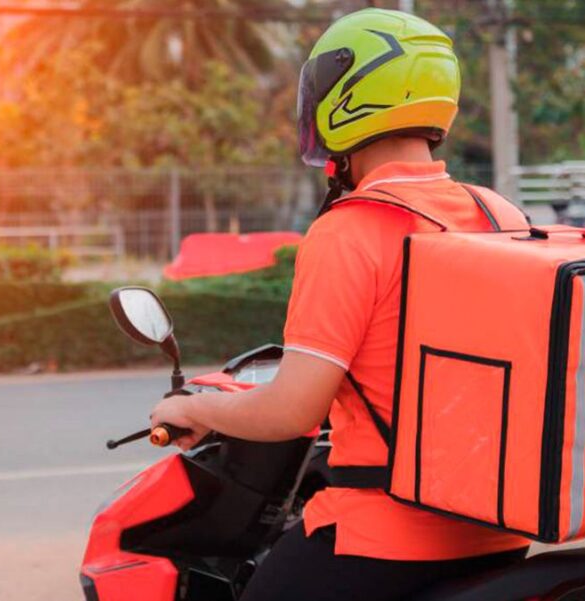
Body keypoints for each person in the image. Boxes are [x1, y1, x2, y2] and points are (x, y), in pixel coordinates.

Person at [151, 8, 530, 601]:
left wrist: (200, 410)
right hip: (498, 529)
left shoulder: (348, 231)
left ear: (346, 96)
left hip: (383, 536)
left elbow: (292, 411)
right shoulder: (499, 214)